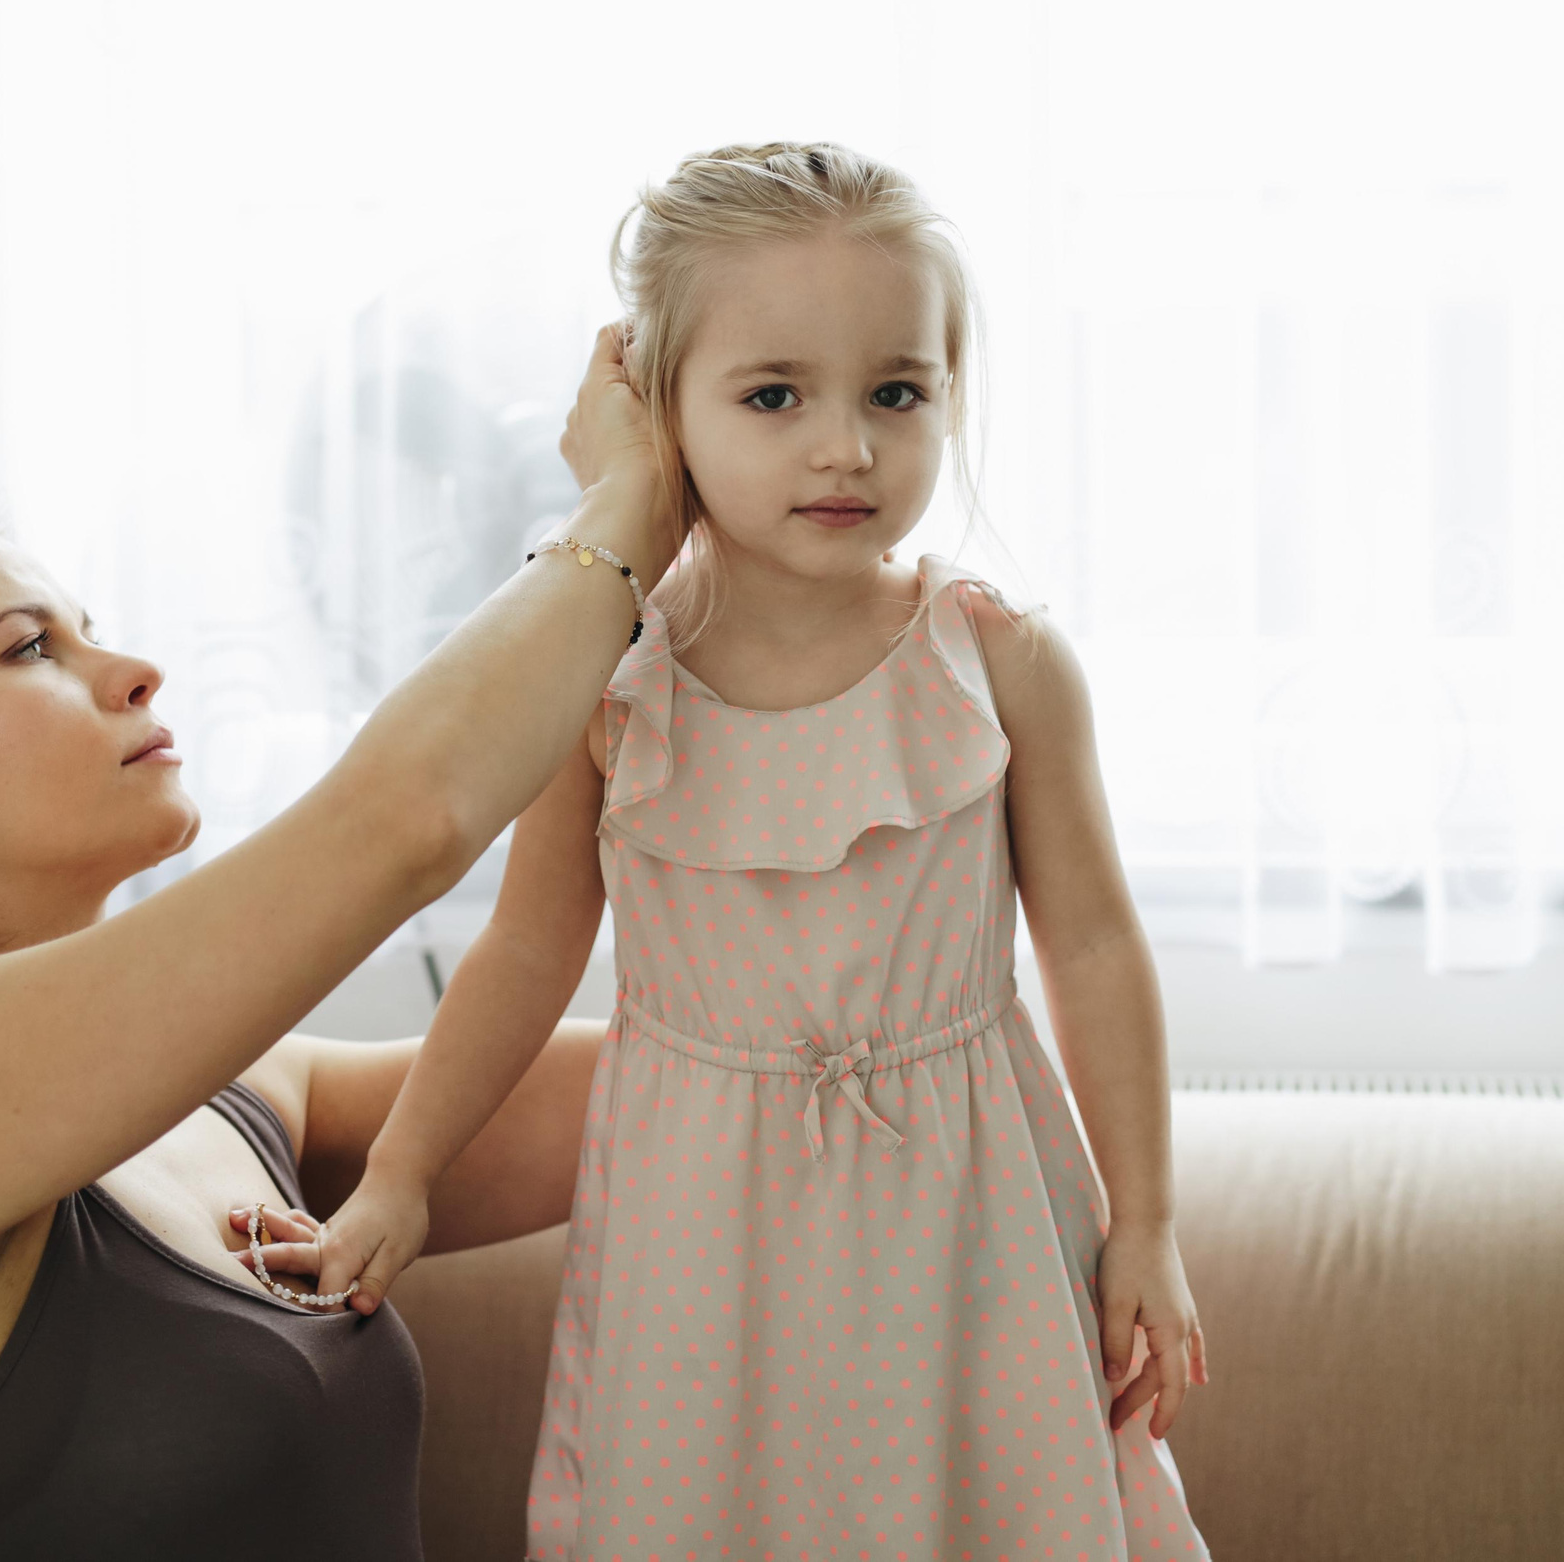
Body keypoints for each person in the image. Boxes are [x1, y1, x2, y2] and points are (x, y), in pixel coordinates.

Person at [311, 142, 1214, 1559]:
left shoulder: (1004, 664)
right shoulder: (604, 679)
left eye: (896, 393)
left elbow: (1093, 942)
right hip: (704, 1230)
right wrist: (402, 1172)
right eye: (775, 395)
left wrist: (1147, 1222)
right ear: (655, 408)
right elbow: (531, 944)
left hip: (973, 1215)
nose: (845, 445)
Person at [0, 331, 673, 1561]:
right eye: (30, 647)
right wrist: (621, 512)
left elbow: (681, 1087)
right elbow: (406, 822)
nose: (135, 669)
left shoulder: (238, 1095)